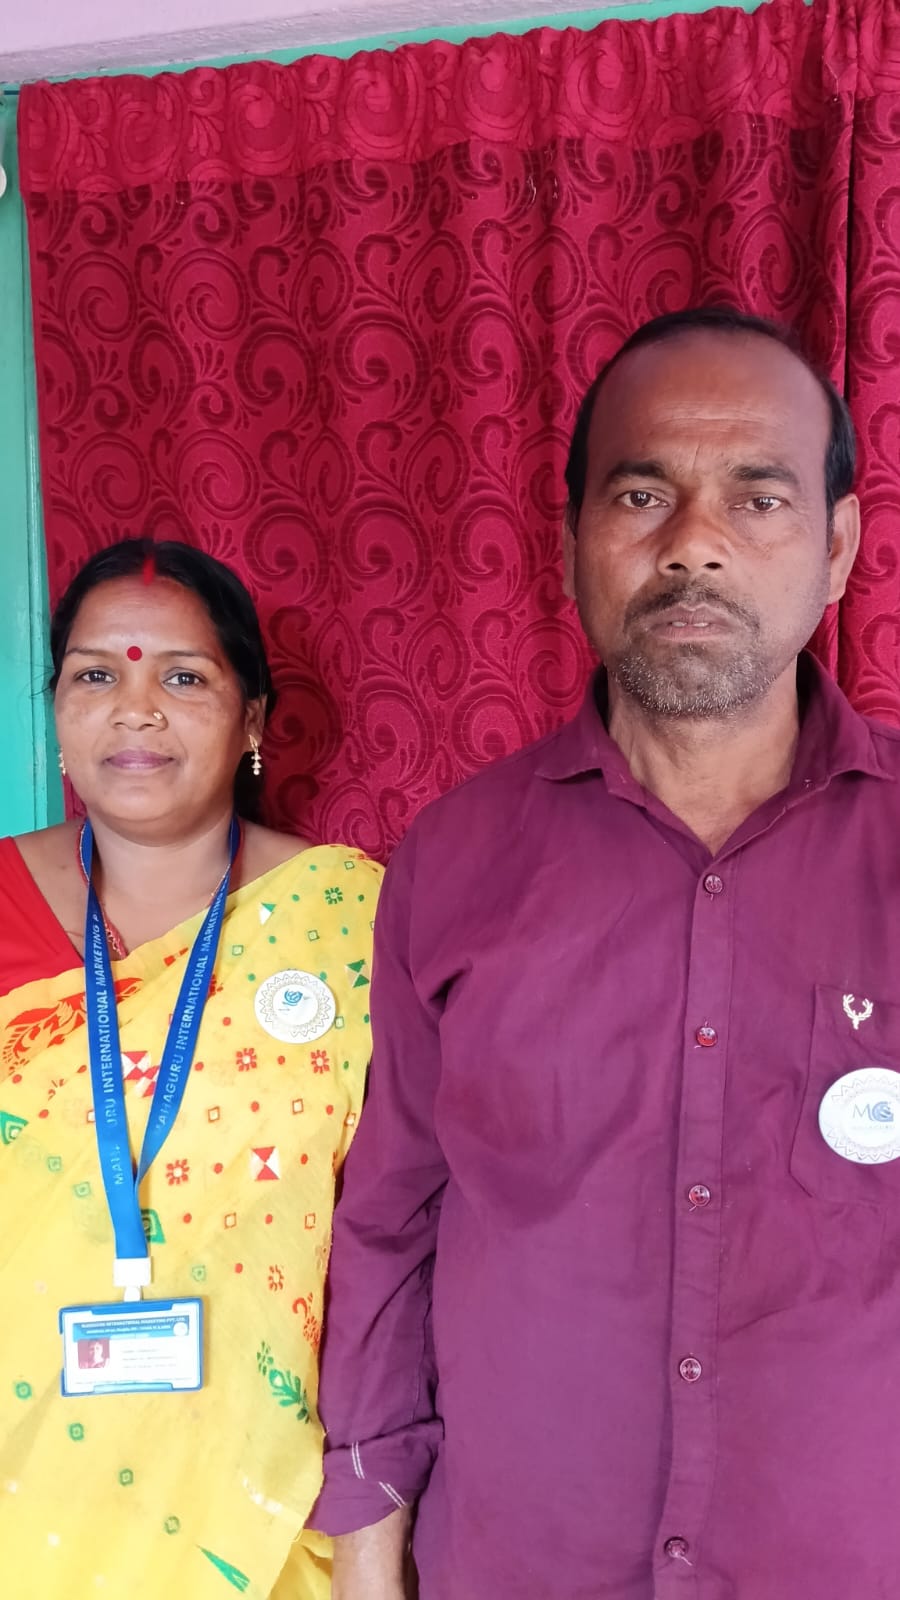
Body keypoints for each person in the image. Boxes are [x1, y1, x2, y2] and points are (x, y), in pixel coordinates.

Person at [308, 305, 900, 1599]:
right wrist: (363, 1556)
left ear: (839, 547)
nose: (693, 542)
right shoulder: (455, 858)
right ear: (574, 536)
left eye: (757, 498)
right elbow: (392, 1221)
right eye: (641, 494)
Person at [0, 538, 382, 1600]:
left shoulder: (351, 919)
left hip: (269, 1501)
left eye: (182, 678)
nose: (135, 710)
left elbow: (405, 1226)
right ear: (56, 708)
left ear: (253, 719)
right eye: (95, 676)